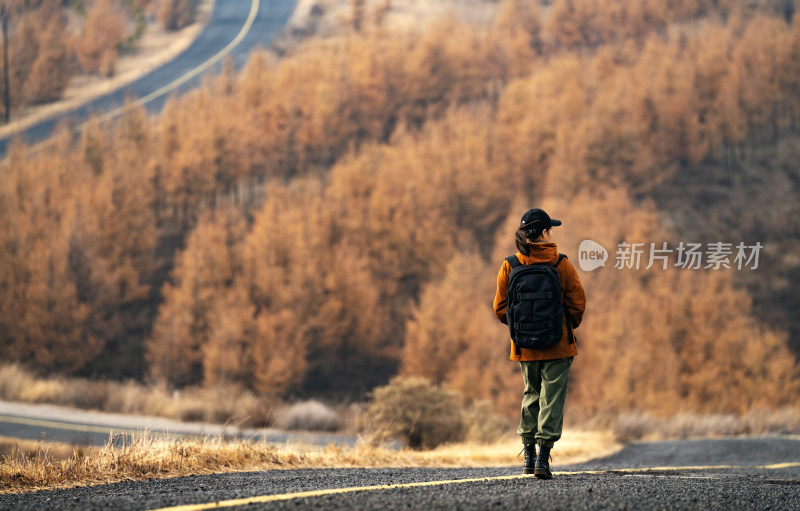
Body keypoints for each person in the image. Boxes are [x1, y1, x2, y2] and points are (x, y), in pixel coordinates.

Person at [493, 208, 586, 479]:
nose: (552, 232)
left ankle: (528, 455)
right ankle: (544, 458)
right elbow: (577, 302)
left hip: (524, 345)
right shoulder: (561, 263)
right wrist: (563, 325)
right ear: (544, 233)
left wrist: (522, 328)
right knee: (552, 398)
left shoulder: (510, 265)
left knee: (531, 393)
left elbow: (500, 308)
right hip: (558, 344)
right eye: (550, 228)